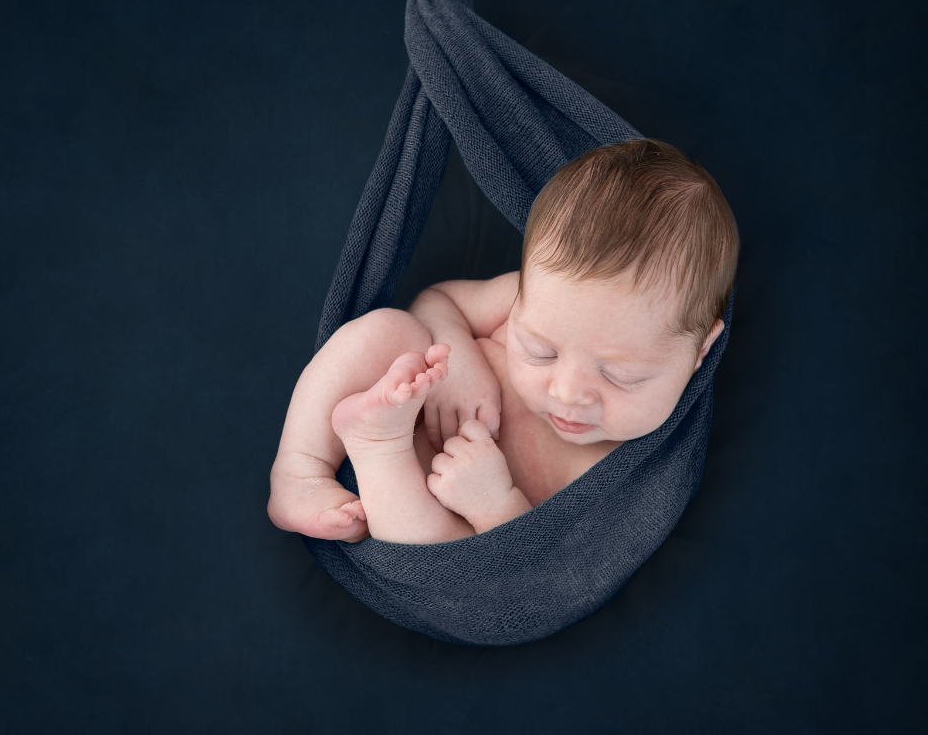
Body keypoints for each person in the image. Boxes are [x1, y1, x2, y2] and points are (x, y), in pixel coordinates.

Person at [267, 138, 739, 544]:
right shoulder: (534, 294)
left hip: (418, 511)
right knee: (389, 329)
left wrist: (496, 504)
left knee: (450, 553)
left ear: (700, 350)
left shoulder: (637, 474)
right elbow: (437, 301)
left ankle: (377, 446)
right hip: (410, 397)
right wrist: (460, 353)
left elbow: (541, 571)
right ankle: (300, 471)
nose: (567, 392)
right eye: (541, 350)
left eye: (621, 375)